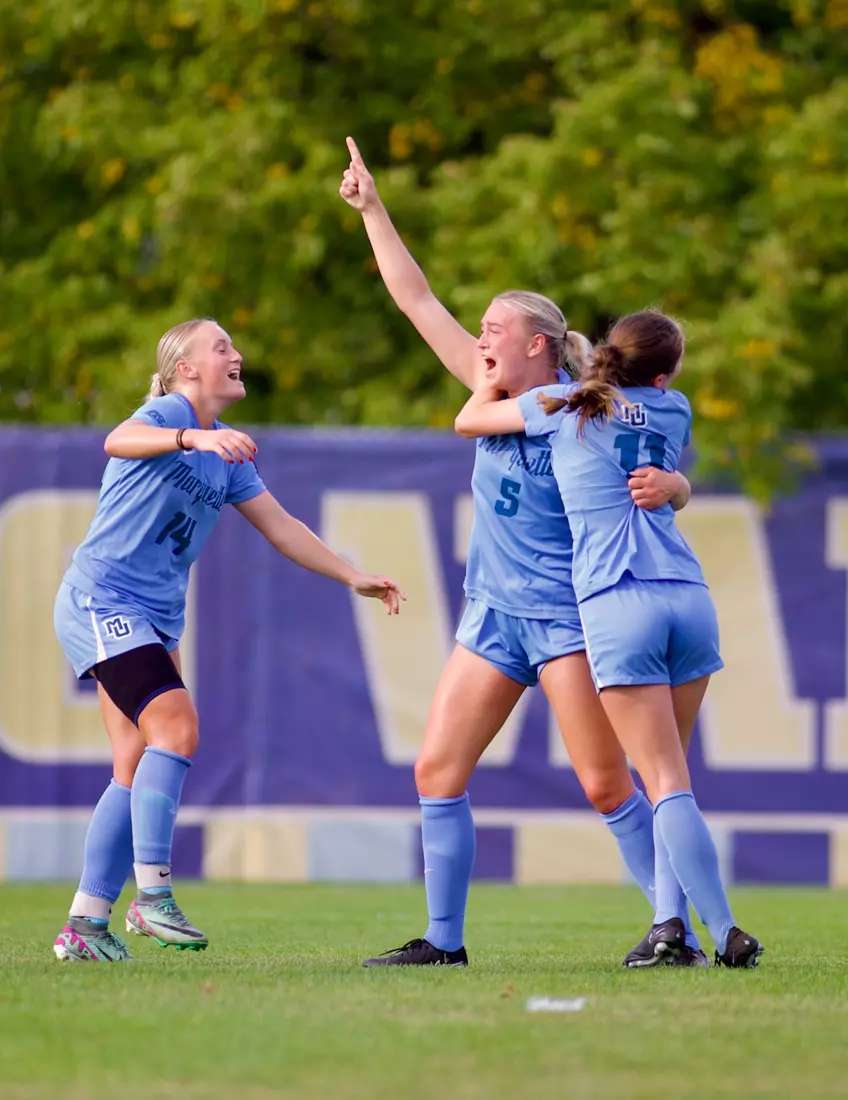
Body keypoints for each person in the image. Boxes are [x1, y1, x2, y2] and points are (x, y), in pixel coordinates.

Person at [340, 138, 705, 968]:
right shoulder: (494, 386)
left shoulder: (581, 407)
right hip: (494, 614)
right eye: (483, 330)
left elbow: (658, 484)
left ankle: (672, 925)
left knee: (609, 785)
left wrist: (678, 489)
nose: (480, 338)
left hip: (569, 617)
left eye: (496, 329)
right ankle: (443, 941)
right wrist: (373, 211)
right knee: (437, 769)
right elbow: (416, 298)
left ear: (540, 344)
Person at [52, 317, 406, 962]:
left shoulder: (225, 450)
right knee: (178, 730)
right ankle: (152, 896)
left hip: (154, 615)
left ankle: (85, 923)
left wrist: (352, 574)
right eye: (222, 347)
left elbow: (281, 527)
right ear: (186, 368)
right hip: (103, 599)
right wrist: (186, 436)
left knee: (131, 767)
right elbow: (118, 438)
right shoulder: (171, 412)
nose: (237, 354)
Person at [455, 310, 764, 968]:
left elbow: (469, 422)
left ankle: (726, 928)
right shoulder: (674, 408)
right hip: (686, 593)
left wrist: (487, 376)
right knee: (671, 779)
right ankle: (666, 926)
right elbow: (663, 472)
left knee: (663, 783)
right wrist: (678, 487)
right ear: (664, 372)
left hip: (618, 601)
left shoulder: (557, 404)